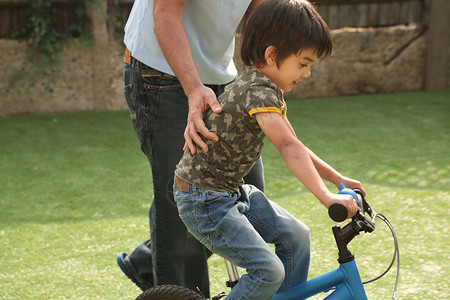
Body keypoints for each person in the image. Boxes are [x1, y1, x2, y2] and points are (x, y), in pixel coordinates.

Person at [173, 0, 366, 299]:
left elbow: (296, 145)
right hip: (203, 200)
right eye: (303, 63)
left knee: (297, 236)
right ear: (272, 55)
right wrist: (326, 198)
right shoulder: (256, 91)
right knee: (268, 272)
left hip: (228, 192)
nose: (307, 74)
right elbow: (287, 148)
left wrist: (339, 181)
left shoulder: (267, 89)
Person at [117, 0, 267, 297]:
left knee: (249, 195)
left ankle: (149, 261)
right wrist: (193, 87)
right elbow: (166, 13)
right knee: (182, 209)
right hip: (160, 71)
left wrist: (260, 72)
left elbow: (259, 12)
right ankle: (174, 284)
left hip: (221, 74)